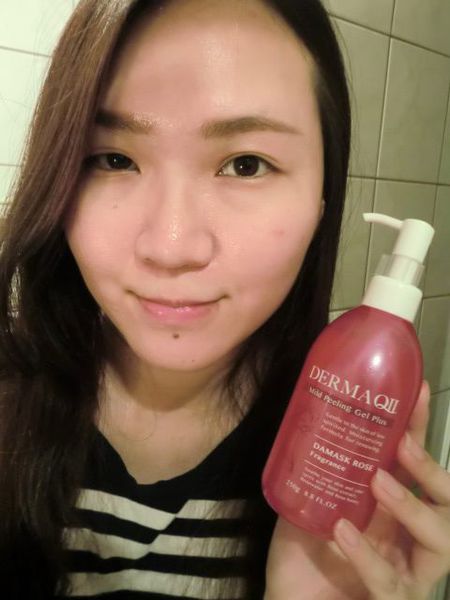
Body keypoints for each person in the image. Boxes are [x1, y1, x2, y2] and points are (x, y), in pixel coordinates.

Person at [0, 0, 449, 598]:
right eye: (114, 159)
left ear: (323, 198)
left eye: (245, 164)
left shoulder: (337, 468)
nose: (171, 247)